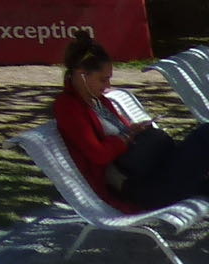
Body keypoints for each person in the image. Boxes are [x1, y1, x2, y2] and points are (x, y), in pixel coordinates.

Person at [54, 31, 209, 211]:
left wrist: (134, 131)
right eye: (103, 80)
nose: (107, 86)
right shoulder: (69, 107)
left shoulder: (98, 101)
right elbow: (99, 154)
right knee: (205, 135)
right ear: (82, 74)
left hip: (153, 171)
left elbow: (119, 138)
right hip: (137, 188)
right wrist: (127, 136)